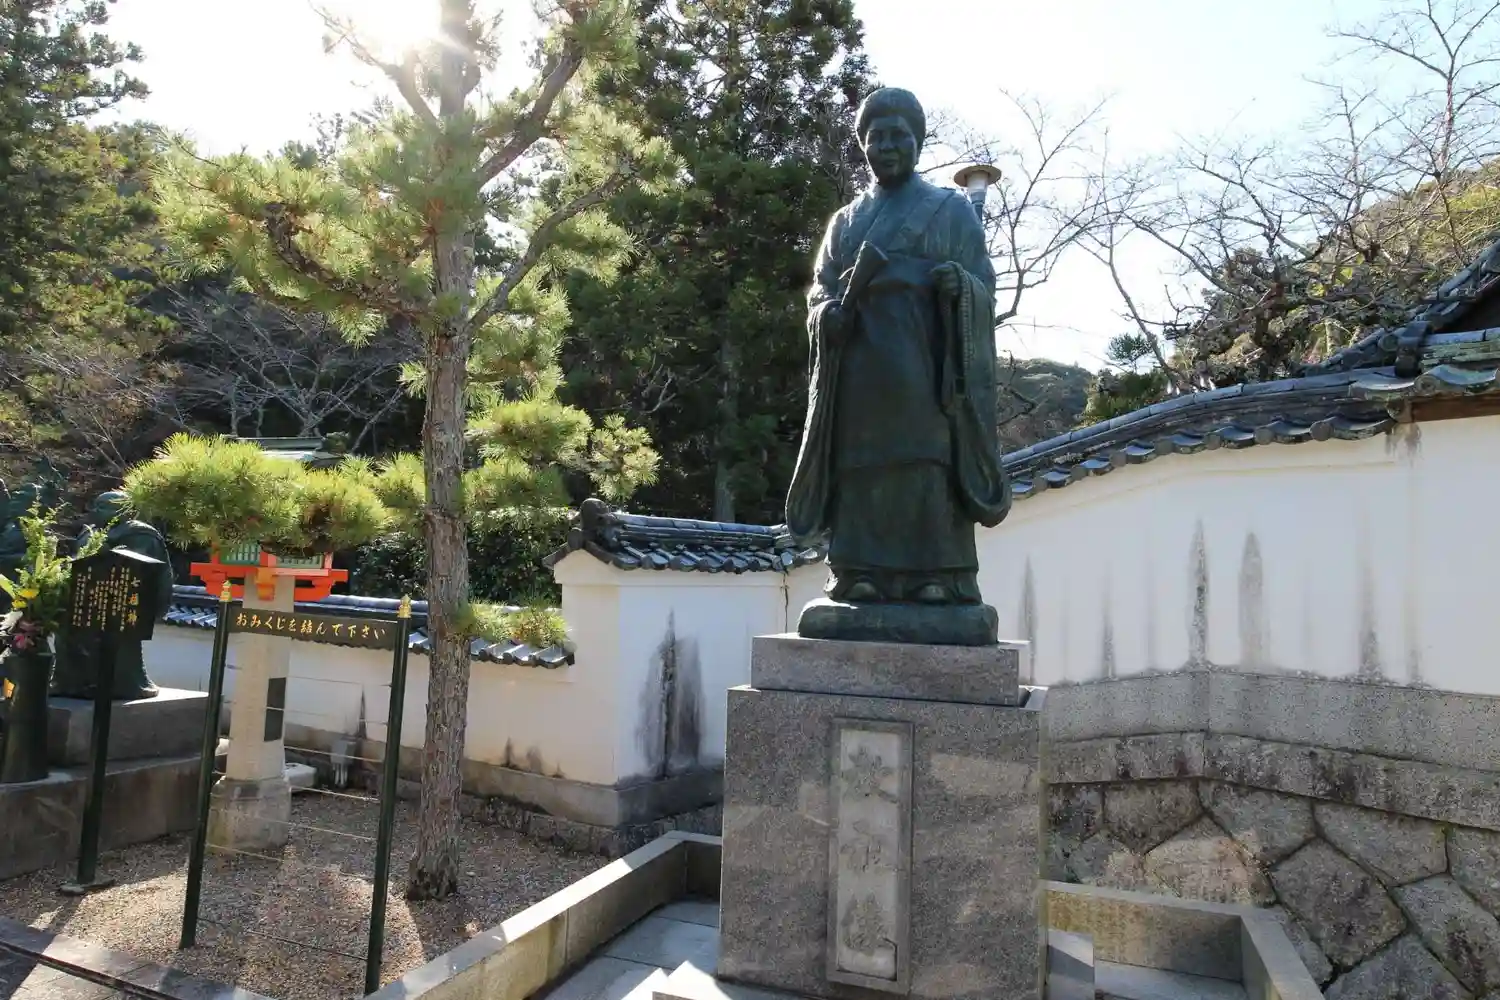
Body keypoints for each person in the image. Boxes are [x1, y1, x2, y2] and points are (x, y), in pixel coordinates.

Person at [786, 87, 1010, 611]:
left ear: (918, 142)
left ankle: (941, 577)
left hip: (925, 369)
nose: (887, 146)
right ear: (863, 144)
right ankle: (858, 574)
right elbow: (820, 290)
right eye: (876, 137)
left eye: (898, 136)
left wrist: (960, 287)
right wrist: (826, 314)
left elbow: (982, 283)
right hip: (860, 374)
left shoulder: (950, 210)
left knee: (927, 465)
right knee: (862, 469)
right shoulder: (845, 222)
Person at [51, 491, 175, 701]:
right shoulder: (90, 532)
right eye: (96, 506)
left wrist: (107, 553)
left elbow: (141, 569)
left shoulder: (141, 534)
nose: (95, 511)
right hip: (87, 596)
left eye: (102, 507)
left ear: (122, 510)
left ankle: (123, 683)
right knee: (66, 626)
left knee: (114, 634)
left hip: (122, 600)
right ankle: (71, 682)